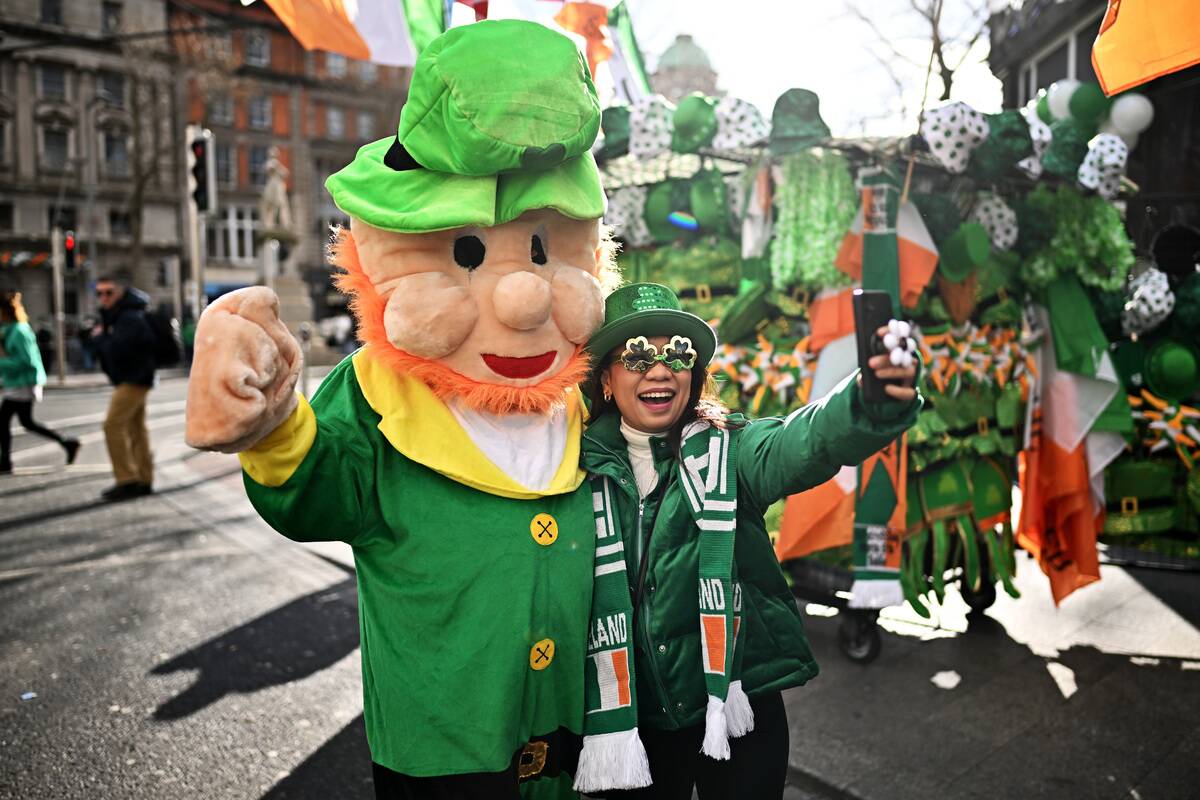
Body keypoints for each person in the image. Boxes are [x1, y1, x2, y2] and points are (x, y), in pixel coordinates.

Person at [578, 284, 921, 799]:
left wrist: (867, 397)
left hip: (739, 704)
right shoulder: (571, 469)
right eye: (636, 354)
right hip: (631, 717)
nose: (659, 368)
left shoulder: (731, 449)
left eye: (678, 352)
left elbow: (802, 441)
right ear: (605, 377)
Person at [90, 275, 156, 501]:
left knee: (112, 425)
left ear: (120, 292)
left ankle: (127, 479)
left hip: (134, 378)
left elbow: (119, 350)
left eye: (108, 292)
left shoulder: (128, 316)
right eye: (99, 293)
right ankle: (144, 479)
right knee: (136, 429)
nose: (103, 297)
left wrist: (99, 339)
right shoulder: (121, 314)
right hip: (134, 377)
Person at [0, 292, 80, 473]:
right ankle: (67, 442)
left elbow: (25, 360)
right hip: (17, 382)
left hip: (24, 382)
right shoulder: (9, 330)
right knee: (26, 422)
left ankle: (5, 461)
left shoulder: (19, 331)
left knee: (5, 421)